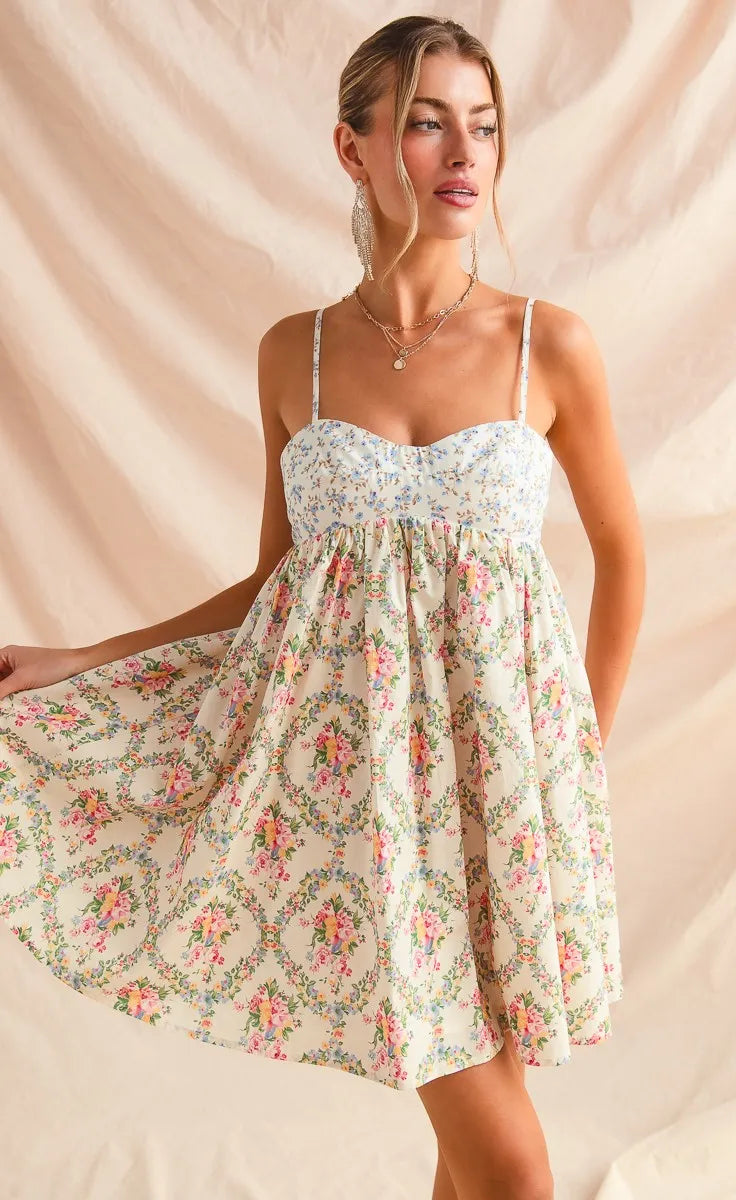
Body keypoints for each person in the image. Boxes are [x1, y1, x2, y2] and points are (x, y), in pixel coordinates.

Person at [0, 16, 646, 1200]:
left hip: (504, 783)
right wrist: (85, 657)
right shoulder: (290, 354)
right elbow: (270, 585)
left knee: (480, 1143)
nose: (463, 152)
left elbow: (621, 558)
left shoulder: (544, 346)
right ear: (353, 150)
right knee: (508, 1160)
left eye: (483, 124)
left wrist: (576, 764)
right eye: (423, 121)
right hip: (353, 794)